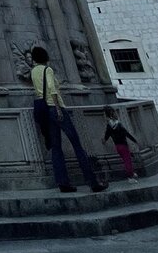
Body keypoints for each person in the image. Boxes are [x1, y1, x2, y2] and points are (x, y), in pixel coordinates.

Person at [31, 46, 106, 194]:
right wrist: (59, 109)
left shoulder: (33, 72)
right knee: (77, 145)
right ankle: (92, 182)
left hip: (44, 110)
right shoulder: (48, 70)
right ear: (45, 57)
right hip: (55, 108)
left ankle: (63, 182)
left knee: (56, 148)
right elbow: (52, 89)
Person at [103, 109, 140, 182]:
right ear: (112, 115)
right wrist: (135, 140)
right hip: (123, 145)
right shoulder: (118, 124)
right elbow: (126, 134)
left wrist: (104, 140)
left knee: (126, 160)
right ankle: (130, 177)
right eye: (115, 113)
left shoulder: (109, 125)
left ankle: (132, 174)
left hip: (118, 147)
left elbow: (107, 135)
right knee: (128, 161)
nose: (117, 115)